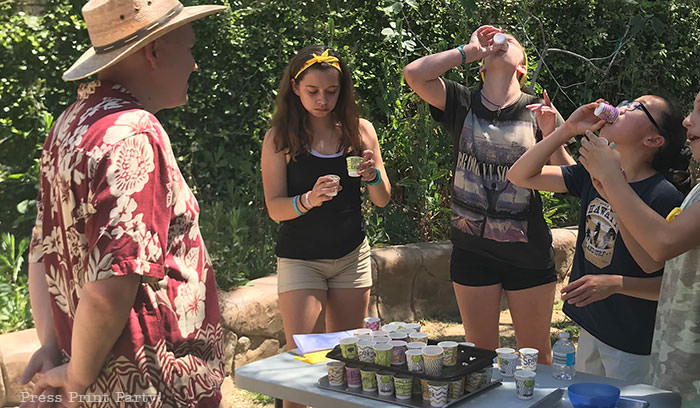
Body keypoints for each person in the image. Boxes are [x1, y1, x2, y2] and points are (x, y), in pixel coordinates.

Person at [18, 1, 227, 407]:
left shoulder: (69, 124)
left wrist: (53, 347)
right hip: (150, 386)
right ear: (154, 53)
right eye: (189, 48)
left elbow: (41, 252)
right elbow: (111, 284)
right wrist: (76, 375)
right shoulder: (134, 133)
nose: (195, 65)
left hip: (93, 374)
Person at [403, 25, 574, 363]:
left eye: (511, 42)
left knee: (536, 357)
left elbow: (571, 178)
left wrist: (554, 133)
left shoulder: (539, 110)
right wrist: (468, 51)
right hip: (472, 253)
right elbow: (414, 74)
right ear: (481, 68)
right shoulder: (461, 101)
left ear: (522, 67)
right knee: (480, 357)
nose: (501, 42)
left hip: (528, 252)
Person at [507, 95, 687, 382]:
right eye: (627, 102)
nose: (623, 107)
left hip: (633, 341)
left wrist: (615, 284)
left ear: (654, 140)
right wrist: (565, 131)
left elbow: (666, 282)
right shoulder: (591, 175)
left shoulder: (663, 195)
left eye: (637, 108)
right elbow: (519, 175)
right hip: (591, 325)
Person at [261, 45, 391, 408]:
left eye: (332, 91)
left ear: (343, 90)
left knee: (346, 359)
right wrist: (308, 200)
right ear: (295, 88)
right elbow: (274, 208)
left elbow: (382, 198)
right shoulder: (280, 138)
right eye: (313, 91)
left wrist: (373, 175)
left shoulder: (360, 131)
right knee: (302, 363)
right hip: (301, 259)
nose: (323, 100)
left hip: (351, 257)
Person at [577, 91, 700, 406]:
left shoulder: (666, 194)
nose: (689, 120)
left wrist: (611, 178)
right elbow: (651, 259)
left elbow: (661, 244)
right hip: (675, 351)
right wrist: (611, 185)